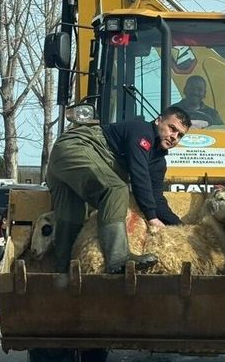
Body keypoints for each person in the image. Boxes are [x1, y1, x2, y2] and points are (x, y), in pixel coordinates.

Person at [46, 106, 192, 274]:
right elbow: (139, 176)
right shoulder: (142, 131)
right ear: (159, 120)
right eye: (172, 128)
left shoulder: (158, 163)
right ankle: (118, 259)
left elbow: (157, 199)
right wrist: (151, 217)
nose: (174, 137)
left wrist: (183, 229)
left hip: (64, 162)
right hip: (75, 148)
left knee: (72, 219)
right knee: (115, 189)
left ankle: (61, 276)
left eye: (180, 135)